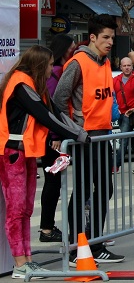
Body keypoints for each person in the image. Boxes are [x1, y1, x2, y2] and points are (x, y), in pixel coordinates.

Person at [0, 45, 90, 279]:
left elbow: (54, 113)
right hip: (12, 153)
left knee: (26, 209)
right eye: (50, 64)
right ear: (40, 65)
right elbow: (46, 116)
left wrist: (79, 133)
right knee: (17, 210)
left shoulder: (31, 84)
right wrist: (79, 135)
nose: (53, 68)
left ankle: (27, 261)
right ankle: (21, 263)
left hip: (25, 152)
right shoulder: (21, 84)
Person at [52, 13, 125, 264]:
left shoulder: (104, 61)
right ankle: (76, 247)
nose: (110, 42)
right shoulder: (77, 62)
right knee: (82, 191)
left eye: (112, 38)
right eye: (105, 37)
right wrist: (74, 130)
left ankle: (94, 242)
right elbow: (58, 100)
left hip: (103, 134)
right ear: (92, 38)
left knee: (105, 189)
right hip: (85, 136)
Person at [39, 33, 76, 244]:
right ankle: (46, 228)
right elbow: (52, 108)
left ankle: (47, 227)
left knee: (54, 182)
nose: (73, 52)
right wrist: (55, 135)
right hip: (52, 138)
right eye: (71, 48)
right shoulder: (55, 74)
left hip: (55, 135)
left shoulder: (57, 72)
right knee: (53, 182)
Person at [113, 57, 134, 173]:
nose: (127, 68)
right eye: (124, 66)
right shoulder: (115, 80)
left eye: (129, 65)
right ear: (120, 67)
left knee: (124, 139)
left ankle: (116, 164)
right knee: (132, 140)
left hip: (132, 113)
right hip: (120, 113)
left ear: (132, 66)